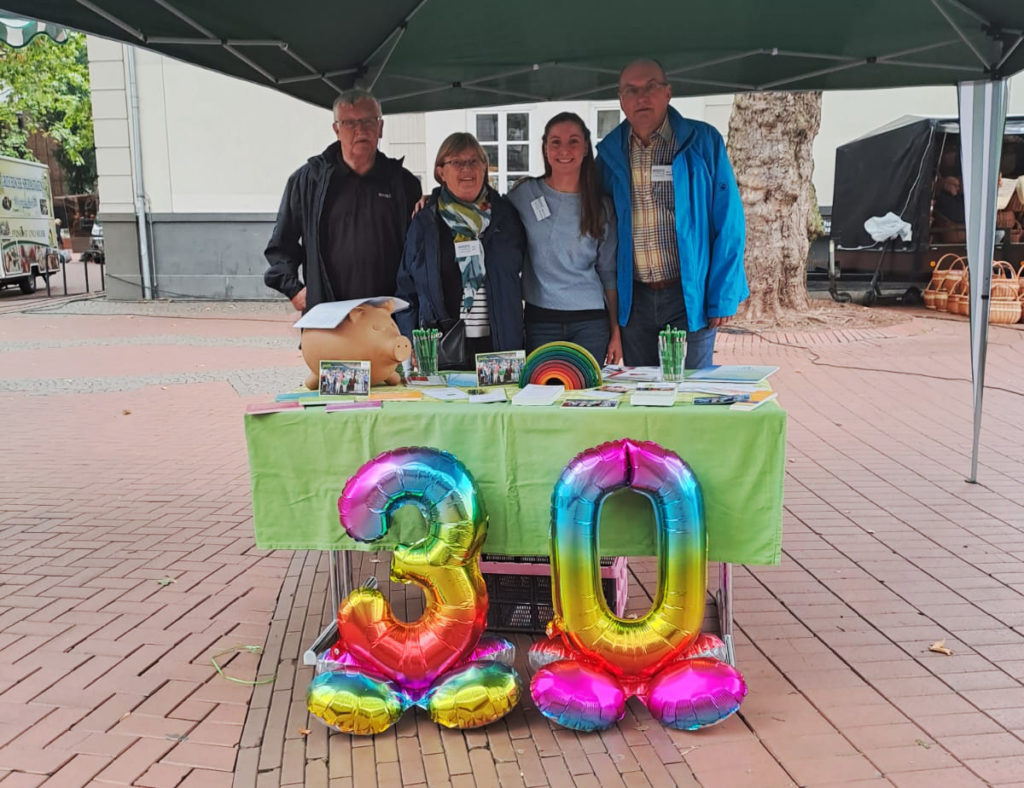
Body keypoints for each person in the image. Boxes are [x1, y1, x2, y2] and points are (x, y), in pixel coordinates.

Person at [596, 59, 748, 369]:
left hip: (688, 295)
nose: (642, 97)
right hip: (634, 300)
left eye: (650, 87)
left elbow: (729, 222)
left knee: (689, 394)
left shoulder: (703, 142)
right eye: (631, 90)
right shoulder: (610, 153)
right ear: (621, 100)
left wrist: (722, 293)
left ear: (667, 92)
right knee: (643, 394)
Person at [264, 89, 422, 312]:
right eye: (349, 123)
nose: (361, 130)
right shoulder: (309, 181)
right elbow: (281, 246)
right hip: (328, 316)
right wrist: (294, 290)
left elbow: (419, 250)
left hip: (389, 315)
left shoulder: (403, 183)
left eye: (369, 120)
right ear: (336, 129)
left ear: (381, 128)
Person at [395, 132, 525, 363]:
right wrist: (407, 339)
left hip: (500, 345)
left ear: (485, 167)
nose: (467, 169)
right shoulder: (426, 221)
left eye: (474, 161)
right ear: (441, 172)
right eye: (456, 162)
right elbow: (406, 289)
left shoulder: (507, 216)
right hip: (443, 346)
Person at [507, 112, 621, 364]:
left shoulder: (601, 206)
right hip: (540, 321)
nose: (564, 150)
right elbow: (483, 209)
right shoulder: (523, 195)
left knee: (585, 397)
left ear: (586, 147)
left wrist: (615, 331)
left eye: (573, 141)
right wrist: (433, 197)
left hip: (590, 322)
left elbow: (609, 274)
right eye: (555, 142)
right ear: (545, 149)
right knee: (540, 397)